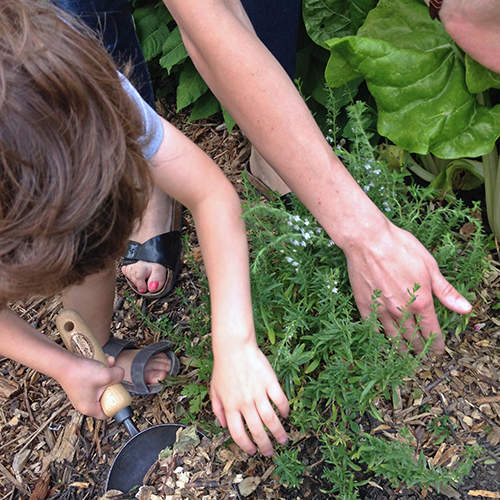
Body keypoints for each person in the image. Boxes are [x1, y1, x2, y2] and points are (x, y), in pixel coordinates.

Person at [0, 0, 288, 458]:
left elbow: (211, 195)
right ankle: (93, 353)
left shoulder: (92, 94)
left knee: (89, 241)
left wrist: (235, 343)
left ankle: (99, 343)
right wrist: (59, 366)